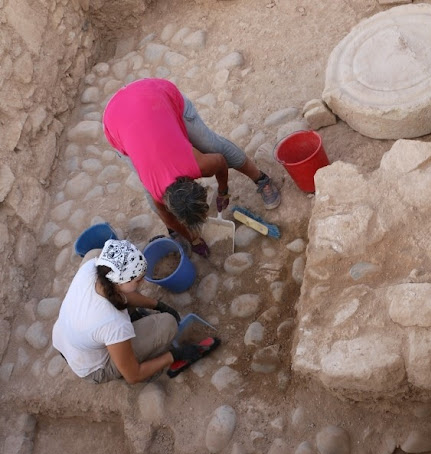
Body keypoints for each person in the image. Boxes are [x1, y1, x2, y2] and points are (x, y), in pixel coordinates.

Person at [102, 78, 281, 257]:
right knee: (151, 192)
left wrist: (223, 191)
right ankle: (175, 233)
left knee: (213, 146)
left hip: (155, 95)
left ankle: (261, 178)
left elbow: (220, 161)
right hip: (115, 120)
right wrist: (192, 238)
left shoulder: (199, 164)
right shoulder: (155, 193)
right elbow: (166, 216)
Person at [52, 239, 210, 384]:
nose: (142, 282)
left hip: (67, 337)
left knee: (94, 253)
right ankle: (145, 363)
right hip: (93, 368)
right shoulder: (113, 323)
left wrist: (158, 305)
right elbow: (133, 375)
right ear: (120, 282)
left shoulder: (91, 268)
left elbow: (124, 294)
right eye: (138, 280)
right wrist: (175, 355)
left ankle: (131, 329)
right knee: (168, 324)